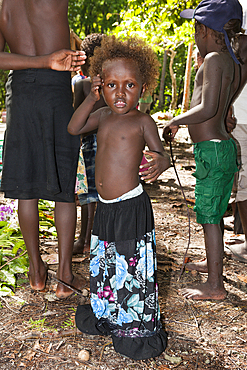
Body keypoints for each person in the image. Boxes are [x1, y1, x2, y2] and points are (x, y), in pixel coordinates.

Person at [68, 35, 170, 360]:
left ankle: (134, 329)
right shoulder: (103, 116)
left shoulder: (142, 121)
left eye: (129, 85)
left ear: (143, 87)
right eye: (111, 85)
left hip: (130, 207)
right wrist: (91, 97)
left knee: (131, 269)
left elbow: (161, 153)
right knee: (107, 265)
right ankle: (108, 314)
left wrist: (161, 162)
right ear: (101, 86)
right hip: (106, 209)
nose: (120, 93)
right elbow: (74, 127)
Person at [0, 0, 87, 299]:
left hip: (21, 91)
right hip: (55, 89)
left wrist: (41, 60)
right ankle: (64, 274)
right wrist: (49, 61)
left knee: (27, 186)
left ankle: (37, 270)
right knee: (63, 185)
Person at [163, 0, 242, 300]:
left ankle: (215, 286)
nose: (195, 33)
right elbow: (223, 106)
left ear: (206, 29)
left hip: (211, 150)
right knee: (216, 211)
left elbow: (207, 107)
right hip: (221, 148)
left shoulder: (212, 60)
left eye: (196, 27)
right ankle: (213, 263)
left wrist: (175, 121)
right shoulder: (231, 61)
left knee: (209, 217)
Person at [73, 33, 106, 255]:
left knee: (88, 196)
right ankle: (91, 239)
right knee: (98, 194)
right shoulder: (113, 84)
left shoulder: (83, 84)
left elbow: (75, 116)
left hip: (89, 143)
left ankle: (85, 239)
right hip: (106, 143)